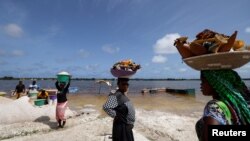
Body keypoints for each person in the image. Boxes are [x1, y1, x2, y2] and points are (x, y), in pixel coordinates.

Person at [196, 69, 250, 141]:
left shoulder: (214, 107)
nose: (201, 84)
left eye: (203, 81)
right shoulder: (239, 106)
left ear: (215, 81)